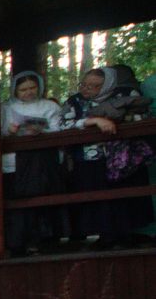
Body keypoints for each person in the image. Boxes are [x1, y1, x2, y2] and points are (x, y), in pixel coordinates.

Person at [57, 66, 152, 245]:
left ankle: (128, 235)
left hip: (124, 158)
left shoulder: (125, 95)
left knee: (125, 196)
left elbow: (143, 115)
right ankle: (105, 237)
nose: (86, 89)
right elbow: (61, 124)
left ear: (107, 85)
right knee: (97, 197)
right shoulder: (74, 102)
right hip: (90, 158)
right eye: (83, 84)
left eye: (94, 86)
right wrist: (91, 121)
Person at [3, 71, 67, 253]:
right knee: (18, 203)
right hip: (15, 161)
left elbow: (58, 128)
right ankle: (17, 242)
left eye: (32, 88)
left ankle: (45, 239)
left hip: (43, 161)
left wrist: (41, 131)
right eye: (23, 89)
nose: (28, 92)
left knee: (43, 199)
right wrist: (12, 130)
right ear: (15, 90)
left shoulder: (49, 106)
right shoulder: (6, 108)